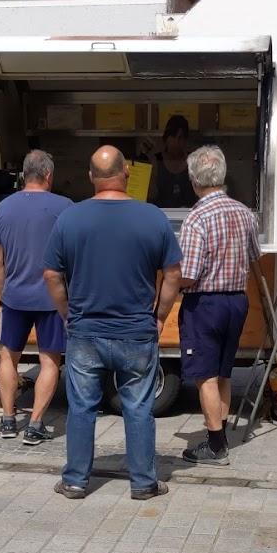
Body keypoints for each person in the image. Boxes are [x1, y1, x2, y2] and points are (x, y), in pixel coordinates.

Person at [44, 146, 181, 500]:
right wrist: (161, 316)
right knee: (137, 407)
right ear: (127, 174)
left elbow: (51, 275)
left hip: (85, 330)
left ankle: (75, 480)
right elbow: (173, 274)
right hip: (136, 331)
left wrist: (67, 313)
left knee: (82, 407)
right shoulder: (152, 218)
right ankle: (143, 483)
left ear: (91, 177)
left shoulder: (70, 219)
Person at [177, 146, 261, 466]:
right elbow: (255, 255)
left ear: (194, 179)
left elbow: (189, 273)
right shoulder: (244, 212)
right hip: (237, 301)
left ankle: (215, 446)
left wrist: (169, 285)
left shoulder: (196, 218)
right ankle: (220, 434)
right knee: (223, 372)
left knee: (205, 375)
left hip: (205, 303)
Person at [0, 150, 72, 443]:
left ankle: (8, 420)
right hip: (52, 299)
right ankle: (36, 424)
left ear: (24, 175)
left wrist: (6, 291)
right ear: (48, 175)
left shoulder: (3, 208)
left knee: (8, 357)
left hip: (14, 297)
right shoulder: (65, 207)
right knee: (50, 361)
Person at [149, 115, 197, 208]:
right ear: (166, 138)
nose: (176, 142)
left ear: (185, 139)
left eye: (180, 138)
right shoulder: (156, 161)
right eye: (173, 137)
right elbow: (150, 196)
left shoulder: (193, 161)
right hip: (162, 215)